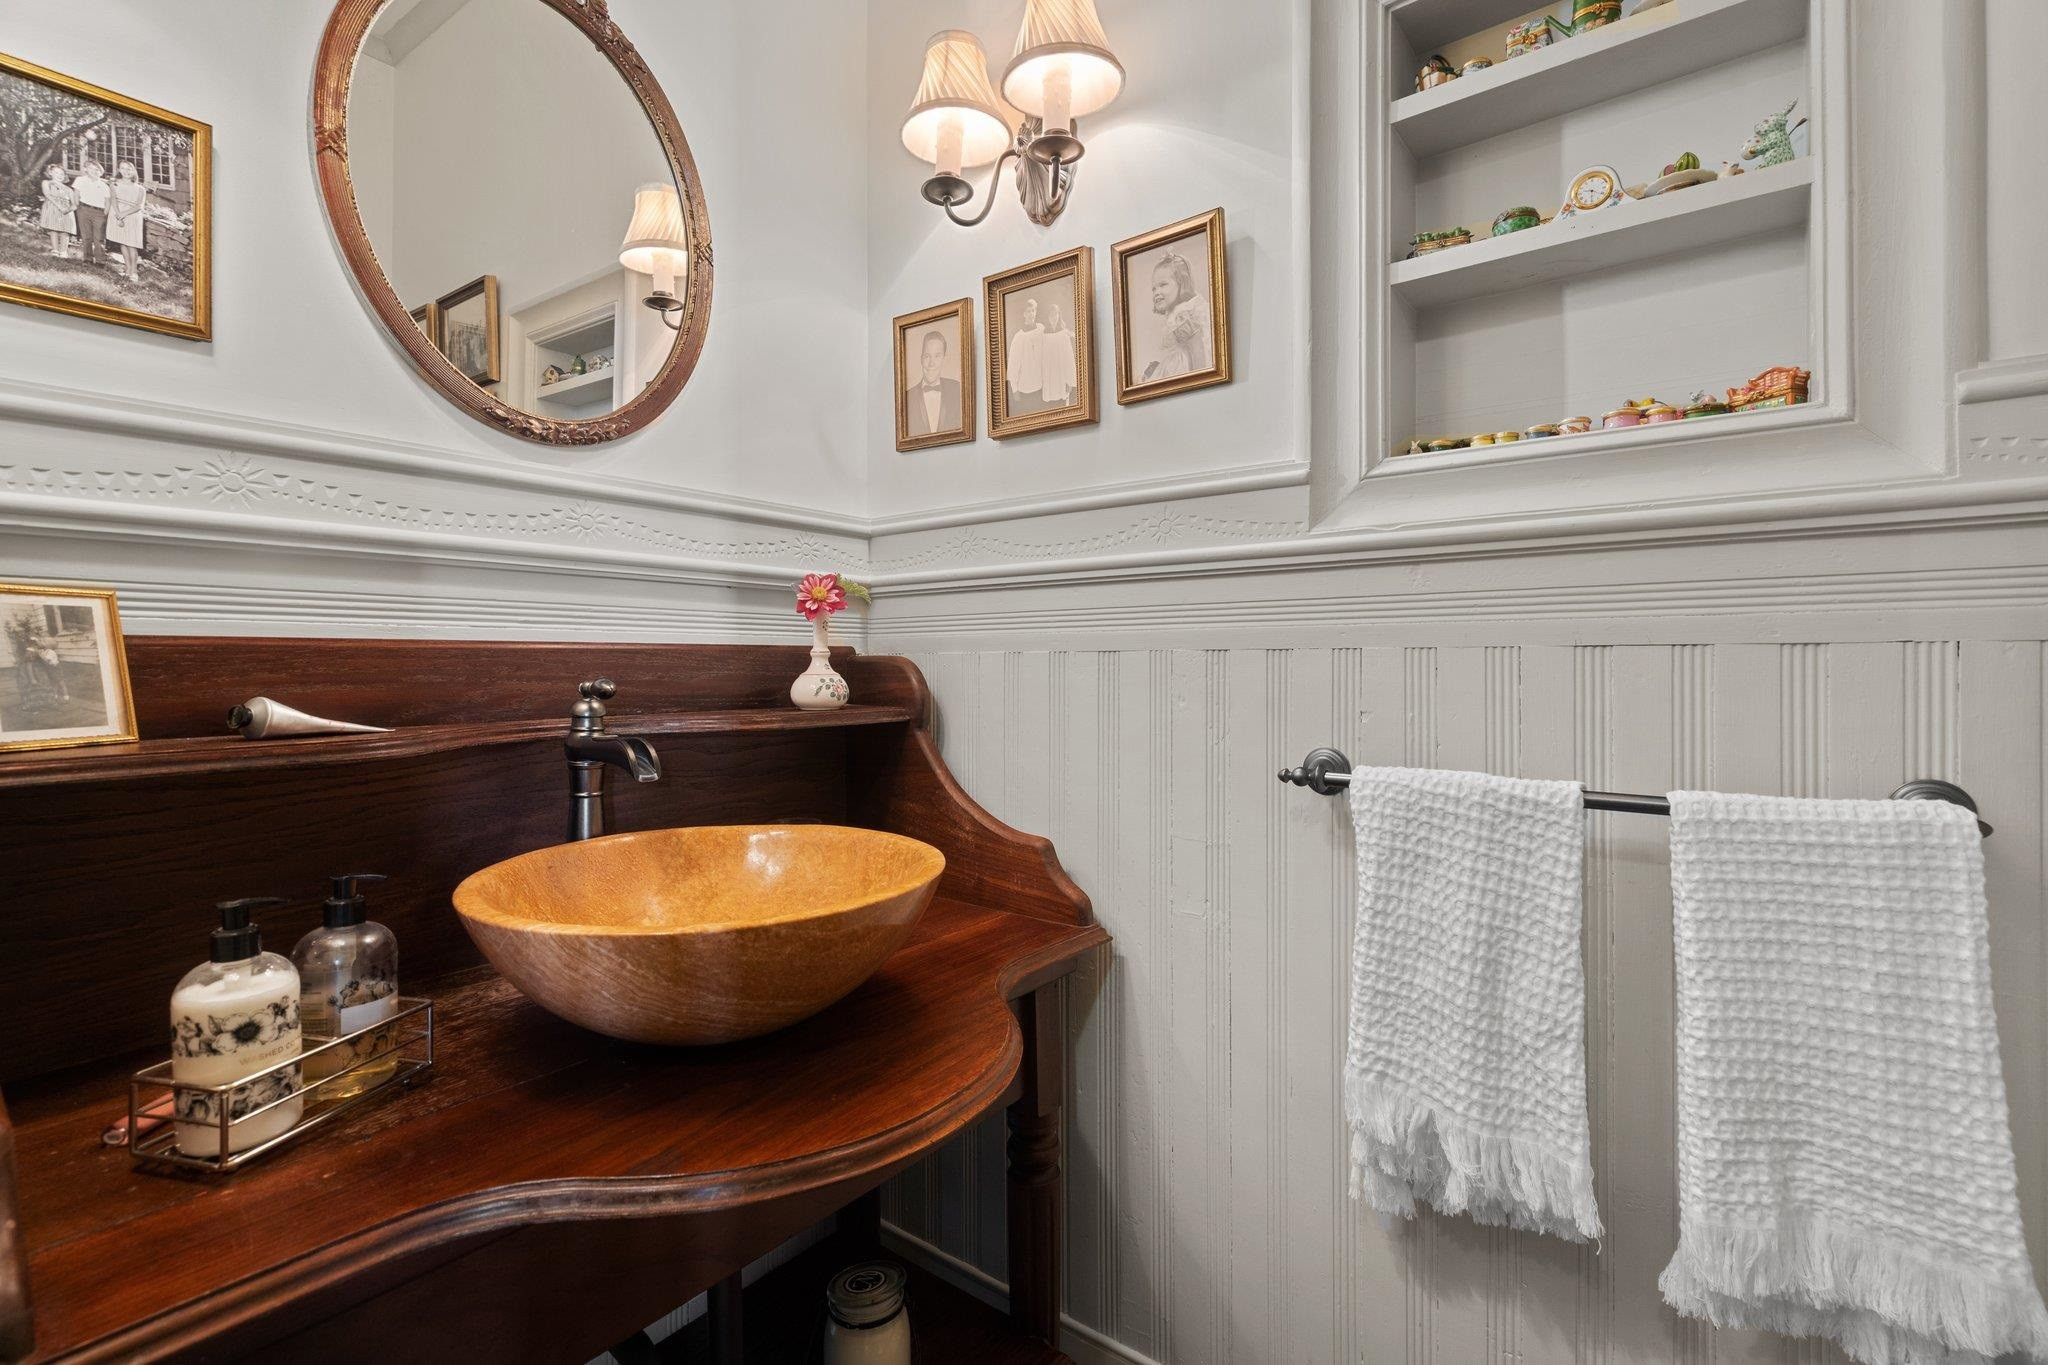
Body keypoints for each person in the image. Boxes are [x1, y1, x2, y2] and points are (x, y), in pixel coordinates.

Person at [1141, 250, 1212, 382]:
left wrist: (1199, 380)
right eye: (1154, 288)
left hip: (1185, 367)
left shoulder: (1183, 315)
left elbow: (1197, 350)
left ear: (1181, 283)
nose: (1157, 292)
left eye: (1163, 285)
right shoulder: (1180, 313)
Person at [905, 328, 961, 437]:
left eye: (937, 356)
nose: (931, 363)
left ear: (944, 359)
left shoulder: (957, 389)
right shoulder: (907, 397)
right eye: (927, 356)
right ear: (921, 359)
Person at [107, 160, 148, 283]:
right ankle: (128, 269)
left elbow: (138, 206)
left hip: (132, 216)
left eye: (129, 169)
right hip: (117, 213)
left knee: (132, 244)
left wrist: (123, 214)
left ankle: (134, 271)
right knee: (123, 242)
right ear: (119, 170)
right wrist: (118, 213)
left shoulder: (140, 189)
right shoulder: (114, 184)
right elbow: (113, 200)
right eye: (123, 168)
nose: (126, 171)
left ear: (133, 171)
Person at [1006, 297, 1047, 410]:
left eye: (1033, 310)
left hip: (1041, 385)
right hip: (1025, 388)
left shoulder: (1041, 330)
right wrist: (1014, 390)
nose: (1031, 314)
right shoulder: (1019, 337)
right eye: (1028, 311)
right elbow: (1013, 364)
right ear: (1024, 314)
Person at [71, 160, 110, 266]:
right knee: (86, 236)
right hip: (84, 209)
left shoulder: (104, 185)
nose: (94, 171)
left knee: (99, 238)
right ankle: (87, 258)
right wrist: (78, 206)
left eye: (97, 170)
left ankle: (100, 260)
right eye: (91, 169)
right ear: (86, 169)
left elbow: (107, 201)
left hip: (99, 212)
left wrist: (105, 213)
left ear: (101, 172)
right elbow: (76, 194)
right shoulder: (80, 180)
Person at [1040, 303, 1077, 406]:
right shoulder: (1044, 334)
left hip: (1062, 371)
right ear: (1048, 317)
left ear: (1059, 315)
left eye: (1056, 314)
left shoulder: (1063, 333)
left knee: (1064, 398)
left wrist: (1069, 380)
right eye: (1051, 315)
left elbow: (1068, 357)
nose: (1053, 318)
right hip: (1050, 371)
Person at [39, 163, 78, 258]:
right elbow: (47, 194)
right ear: (50, 173)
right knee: (54, 229)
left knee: (65, 230)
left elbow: (74, 204)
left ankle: (63, 251)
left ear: (65, 176)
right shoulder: (46, 183)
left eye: (61, 174)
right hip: (53, 207)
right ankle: (55, 250)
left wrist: (69, 209)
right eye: (56, 173)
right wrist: (59, 206)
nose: (59, 176)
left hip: (66, 211)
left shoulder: (69, 189)